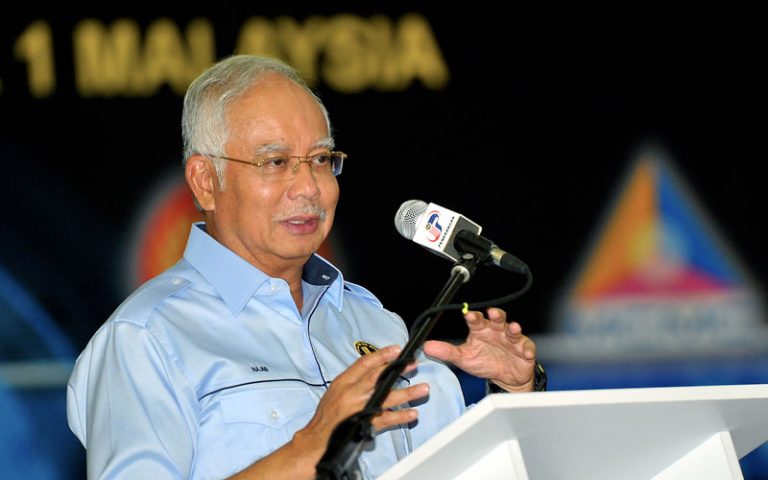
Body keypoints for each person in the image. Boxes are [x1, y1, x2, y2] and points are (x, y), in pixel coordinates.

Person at [66, 54, 542, 480]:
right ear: (206, 181)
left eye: (320, 159)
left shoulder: (376, 324)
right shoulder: (145, 338)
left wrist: (511, 395)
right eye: (275, 162)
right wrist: (307, 449)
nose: (309, 187)